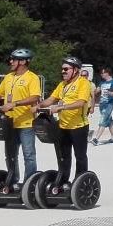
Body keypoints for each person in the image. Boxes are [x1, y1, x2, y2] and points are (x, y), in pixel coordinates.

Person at [0, 48, 42, 193]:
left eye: (13, 59)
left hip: (26, 123)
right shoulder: (9, 77)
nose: (11, 62)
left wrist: (15, 104)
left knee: (29, 155)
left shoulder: (32, 77)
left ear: (22, 62)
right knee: (10, 155)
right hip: (9, 122)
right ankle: (14, 181)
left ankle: (29, 184)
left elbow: (35, 97)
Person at [38, 57, 92, 193]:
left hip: (79, 126)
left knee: (80, 156)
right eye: (62, 69)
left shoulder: (83, 83)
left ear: (76, 70)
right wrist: (38, 106)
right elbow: (51, 99)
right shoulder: (62, 85)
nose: (63, 71)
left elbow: (81, 102)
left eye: (66, 69)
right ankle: (63, 181)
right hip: (63, 126)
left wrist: (61, 108)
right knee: (63, 157)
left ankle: (80, 183)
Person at [92, 68, 113, 145]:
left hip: (109, 104)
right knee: (109, 120)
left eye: (102, 73)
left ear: (107, 73)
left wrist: (109, 93)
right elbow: (96, 91)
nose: (101, 74)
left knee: (103, 120)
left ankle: (96, 139)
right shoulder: (102, 83)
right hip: (102, 104)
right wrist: (96, 91)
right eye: (101, 73)